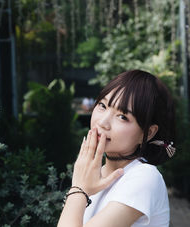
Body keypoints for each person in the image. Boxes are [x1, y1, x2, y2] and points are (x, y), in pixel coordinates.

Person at [57, 70, 176, 227]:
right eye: (102, 105)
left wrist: (78, 188)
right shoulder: (94, 176)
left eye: (123, 117)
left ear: (148, 133)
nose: (103, 122)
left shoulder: (144, 178)